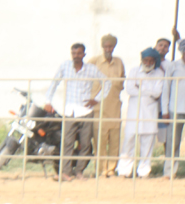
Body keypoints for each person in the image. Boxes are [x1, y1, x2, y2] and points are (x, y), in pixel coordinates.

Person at [42, 42, 108, 179]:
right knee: (67, 142)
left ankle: (79, 172)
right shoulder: (65, 66)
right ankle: (65, 172)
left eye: (79, 53)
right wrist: (48, 101)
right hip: (69, 111)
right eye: (73, 53)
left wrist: (97, 99)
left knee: (85, 144)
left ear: (84, 54)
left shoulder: (91, 69)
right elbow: (54, 83)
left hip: (86, 111)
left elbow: (107, 82)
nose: (76, 56)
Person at [117, 48, 165, 178]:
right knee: (128, 142)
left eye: (151, 61)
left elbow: (157, 93)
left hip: (150, 113)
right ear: (142, 60)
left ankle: (144, 172)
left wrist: (140, 88)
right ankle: (124, 171)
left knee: (147, 144)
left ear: (155, 61)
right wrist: (148, 91)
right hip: (134, 112)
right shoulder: (134, 71)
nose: (148, 63)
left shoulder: (159, 73)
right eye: (146, 60)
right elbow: (130, 89)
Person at [87, 34, 125, 177]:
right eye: (106, 46)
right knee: (100, 141)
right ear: (102, 47)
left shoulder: (119, 62)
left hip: (114, 106)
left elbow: (122, 82)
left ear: (114, 47)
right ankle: (101, 170)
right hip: (99, 108)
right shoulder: (94, 62)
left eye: (111, 46)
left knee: (114, 140)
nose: (108, 49)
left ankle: (111, 169)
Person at [161, 40, 185, 178]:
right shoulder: (173, 66)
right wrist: (165, 111)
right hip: (175, 108)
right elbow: (166, 88)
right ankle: (169, 172)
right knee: (173, 142)